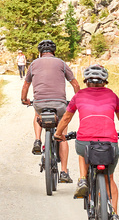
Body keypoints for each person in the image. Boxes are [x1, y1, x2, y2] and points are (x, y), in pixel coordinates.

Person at [54, 64, 119, 220]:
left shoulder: (79, 95)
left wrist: (58, 134)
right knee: (110, 178)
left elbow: (66, 117)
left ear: (86, 82)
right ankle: (115, 216)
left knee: (82, 149)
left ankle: (83, 179)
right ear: (104, 82)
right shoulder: (112, 95)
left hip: (86, 142)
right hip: (109, 144)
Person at [21, 39, 80, 183]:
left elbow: (26, 85)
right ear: (54, 52)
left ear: (40, 53)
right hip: (59, 104)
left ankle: (37, 139)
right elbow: (75, 83)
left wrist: (24, 99)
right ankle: (64, 172)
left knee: (37, 115)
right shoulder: (61, 63)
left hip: (40, 103)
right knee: (63, 133)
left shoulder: (33, 64)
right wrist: (78, 100)